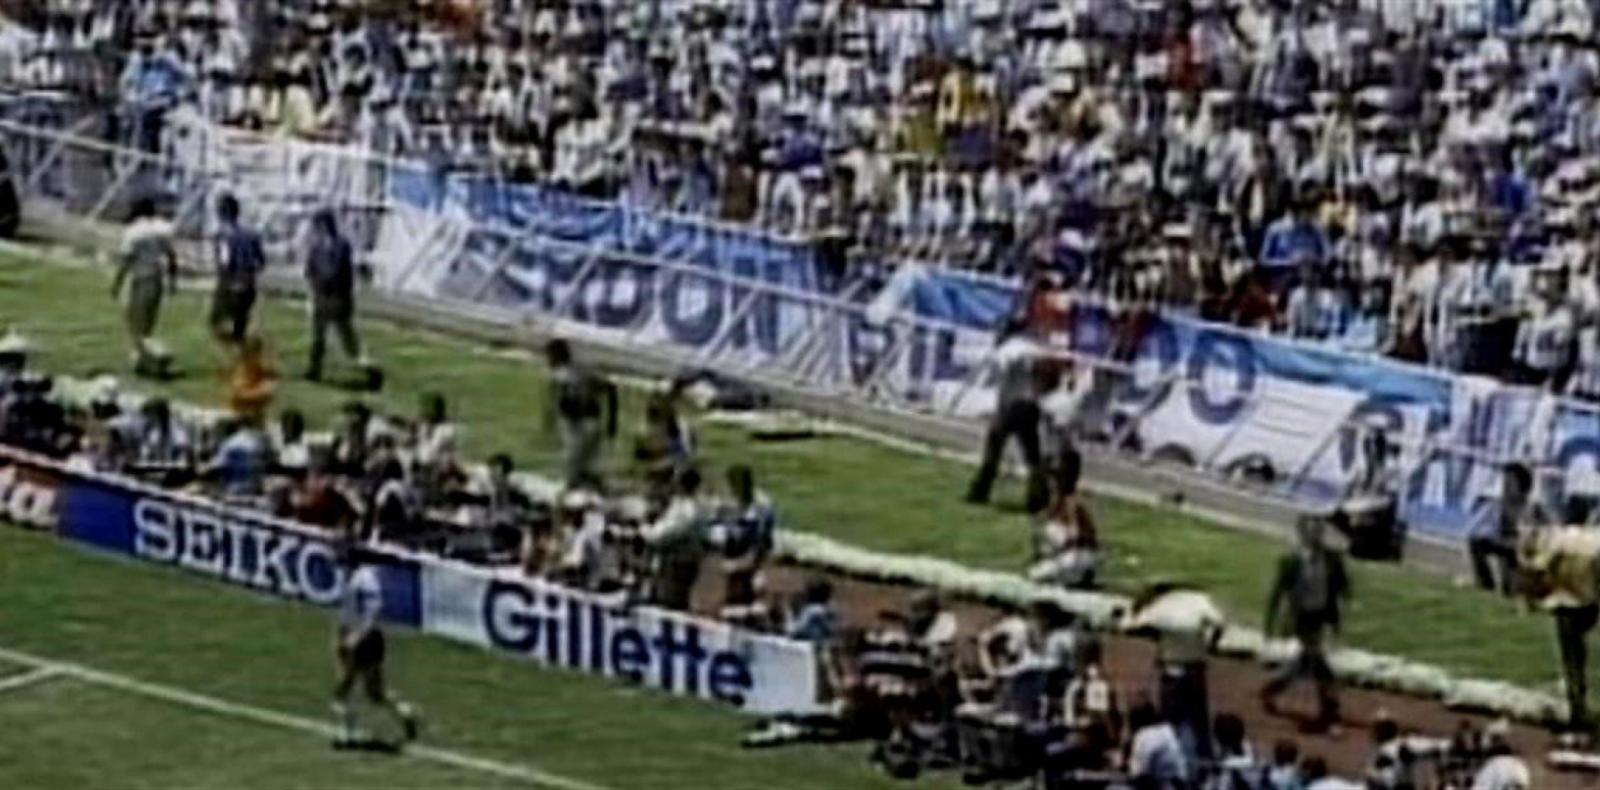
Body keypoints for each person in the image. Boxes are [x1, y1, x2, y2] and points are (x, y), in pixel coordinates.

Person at [1260, 515, 1350, 732]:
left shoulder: (1331, 558)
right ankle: (1329, 707)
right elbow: (1278, 592)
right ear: (1302, 535)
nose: (1315, 535)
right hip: (1301, 616)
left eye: (1318, 531)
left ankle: (1273, 688)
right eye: (1310, 531)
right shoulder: (1291, 560)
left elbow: (1341, 586)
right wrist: (1270, 622)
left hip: (1320, 615)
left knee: (1306, 661)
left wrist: (1339, 615)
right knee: (1315, 660)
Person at [331, 544, 419, 749]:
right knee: (374, 693)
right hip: (363, 635)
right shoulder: (355, 577)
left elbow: (373, 608)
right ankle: (404, 712)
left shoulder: (363, 578)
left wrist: (356, 636)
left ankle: (346, 734)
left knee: (343, 688)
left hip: (364, 638)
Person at [966, 317, 1048, 512]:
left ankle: (981, 490)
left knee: (994, 447)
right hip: (1032, 404)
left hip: (1011, 406)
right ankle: (1038, 497)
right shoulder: (1035, 348)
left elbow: (996, 374)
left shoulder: (1008, 349)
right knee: (1032, 454)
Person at [304, 209, 372, 386]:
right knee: (318, 337)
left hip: (338, 297)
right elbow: (310, 270)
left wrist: (321, 279)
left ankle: (363, 364)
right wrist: (312, 291)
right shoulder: (316, 247)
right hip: (321, 296)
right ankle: (314, 369)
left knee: (346, 334)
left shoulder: (342, 246)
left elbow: (335, 271)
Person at [111, 198, 178, 377]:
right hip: (157, 278)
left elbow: (126, 260)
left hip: (140, 278)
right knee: (147, 324)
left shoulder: (133, 232)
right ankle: (143, 360)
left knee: (136, 325)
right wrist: (173, 281)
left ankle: (155, 359)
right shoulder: (163, 229)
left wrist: (116, 283)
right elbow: (172, 257)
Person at [544, 339, 618, 491]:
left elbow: (609, 389)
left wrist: (612, 420)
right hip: (583, 423)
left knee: (575, 465)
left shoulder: (566, 375)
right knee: (584, 464)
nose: (548, 360)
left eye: (549, 356)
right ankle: (589, 488)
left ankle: (577, 493)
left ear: (558, 356)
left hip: (582, 423)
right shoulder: (578, 372)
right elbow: (610, 389)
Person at [639, 468, 710, 610]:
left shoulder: (688, 509)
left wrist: (644, 528)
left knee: (671, 605)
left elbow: (660, 536)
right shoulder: (681, 504)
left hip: (678, 565)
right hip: (673, 564)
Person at [1469, 464, 1537, 596]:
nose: (1505, 486)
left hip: (1522, 551)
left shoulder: (1531, 507)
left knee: (1510, 590)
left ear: (1521, 486)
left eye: (1510, 483)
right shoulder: (1499, 503)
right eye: (1505, 482)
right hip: (1506, 545)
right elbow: (1483, 528)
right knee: (1476, 543)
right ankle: (1486, 585)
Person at [211, 193, 266, 343]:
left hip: (229, 285)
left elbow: (224, 262)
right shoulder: (253, 234)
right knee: (240, 326)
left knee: (217, 323)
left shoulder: (222, 235)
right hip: (248, 284)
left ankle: (233, 359)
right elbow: (261, 261)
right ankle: (242, 354)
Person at [227, 335, 278, 427]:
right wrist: (263, 391)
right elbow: (239, 394)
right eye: (258, 353)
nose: (262, 357)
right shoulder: (241, 371)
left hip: (256, 417)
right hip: (243, 417)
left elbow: (270, 394)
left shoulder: (264, 371)